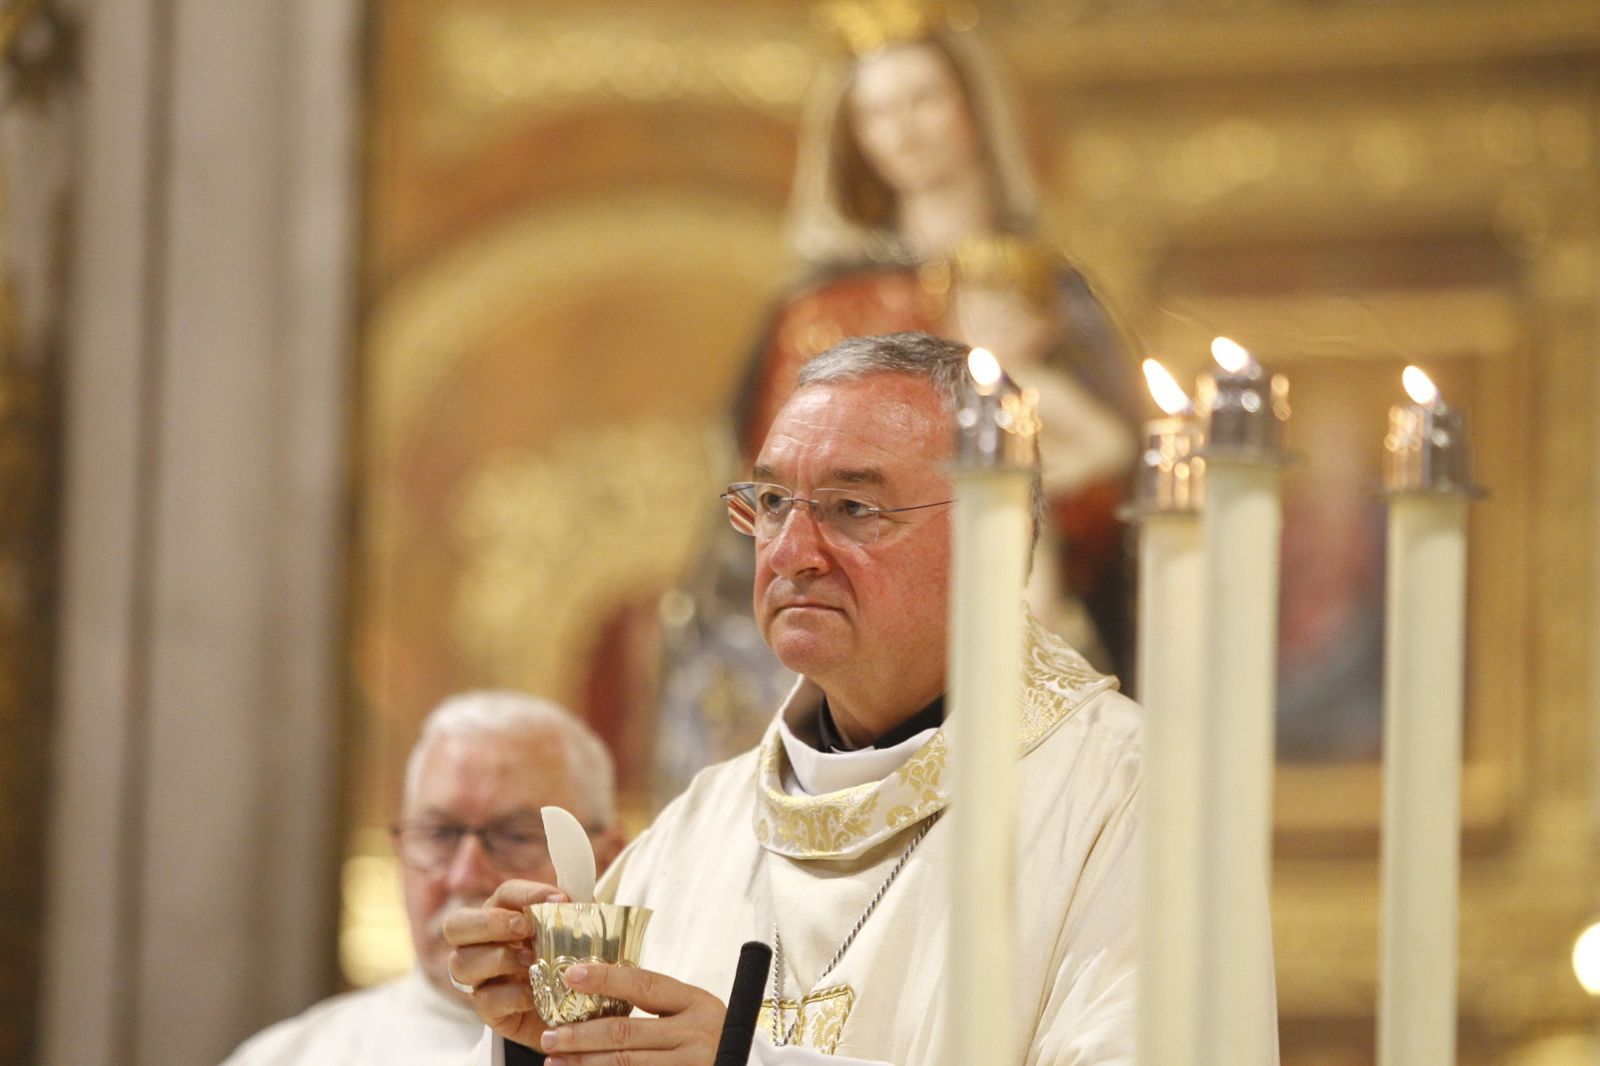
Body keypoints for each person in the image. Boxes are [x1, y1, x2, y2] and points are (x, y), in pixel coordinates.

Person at [448, 333, 1275, 1063]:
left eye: (851, 508)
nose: (793, 552)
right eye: (772, 503)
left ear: (995, 534)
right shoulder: (703, 824)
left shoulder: (1133, 793)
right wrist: (545, 1039)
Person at [221, 691, 624, 1066]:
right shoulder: (287, 1057)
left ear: (607, 859)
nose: (466, 877)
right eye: (440, 835)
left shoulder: (664, 1045)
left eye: (517, 836)